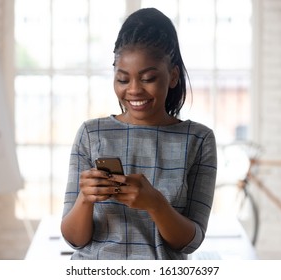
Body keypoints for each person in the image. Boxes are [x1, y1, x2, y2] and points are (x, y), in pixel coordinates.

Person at [61, 7, 217, 260]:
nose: (134, 90)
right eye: (123, 80)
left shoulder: (198, 140)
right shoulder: (92, 133)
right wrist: (85, 199)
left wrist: (156, 204)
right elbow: (74, 240)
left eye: (148, 78)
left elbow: (190, 242)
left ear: (173, 76)